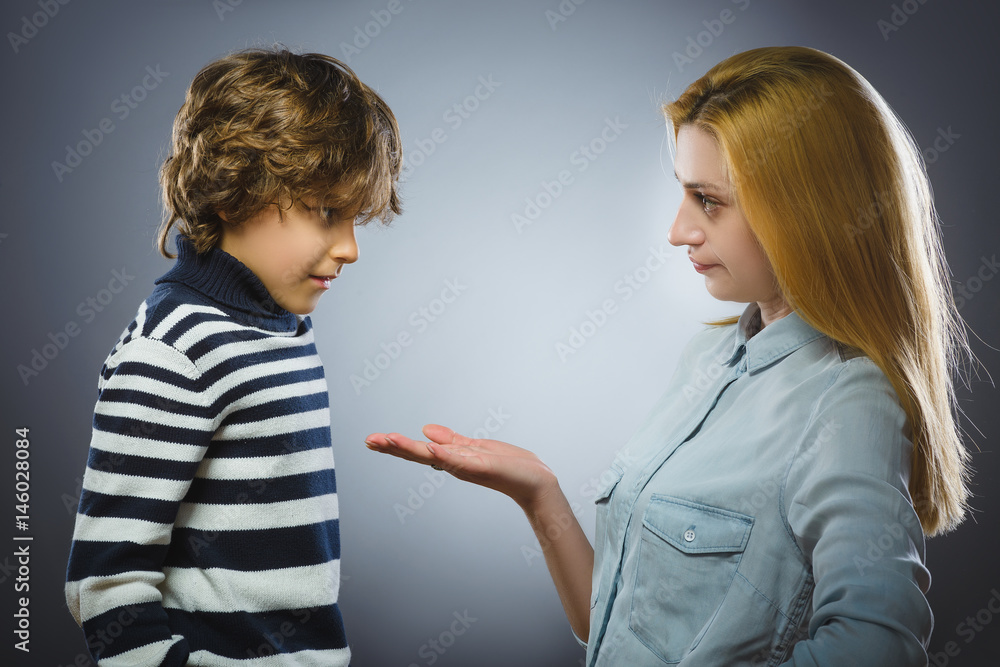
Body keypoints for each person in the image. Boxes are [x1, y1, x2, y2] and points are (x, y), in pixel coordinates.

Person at [365, 46, 974, 665]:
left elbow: (880, 649)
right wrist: (539, 495)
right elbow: (610, 627)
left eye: (707, 199)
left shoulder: (849, 402)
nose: (678, 230)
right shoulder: (707, 359)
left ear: (805, 208)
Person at [65, 47, 401, 666]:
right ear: (233, 191)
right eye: (327, 212)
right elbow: (105, 584)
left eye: (355, 220)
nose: (351, 248)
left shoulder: (281, 326)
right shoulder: (174, 350)